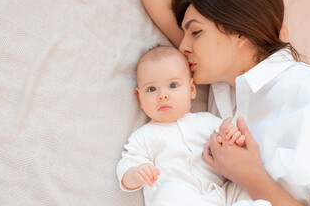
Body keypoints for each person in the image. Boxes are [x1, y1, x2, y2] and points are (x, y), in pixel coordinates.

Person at [140, 0, 310, 206]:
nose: (182, 47)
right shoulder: (224, 82)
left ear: (241, 32)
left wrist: (250, 177)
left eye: (196, 32)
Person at [116, 45, 271, 206]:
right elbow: (126, 165)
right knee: (170, 191)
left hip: (219, 196)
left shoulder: (209, 121)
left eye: (173, 85)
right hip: (181, 199)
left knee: (248, 192)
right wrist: (135, 174)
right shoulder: (144, 136)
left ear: (191, 89)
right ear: (139, 97)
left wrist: (234, 138)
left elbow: (232, 150)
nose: (163, 95)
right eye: (151, 89)